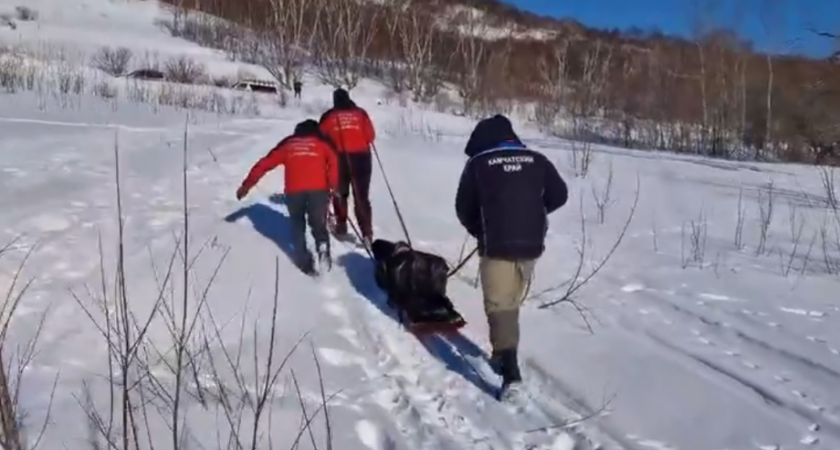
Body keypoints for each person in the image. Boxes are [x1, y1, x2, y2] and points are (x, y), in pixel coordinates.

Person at [454, 114, 568, 398]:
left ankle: (509, 372)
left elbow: (463, 207)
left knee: (500, 305)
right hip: (532, 244)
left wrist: (482, 230)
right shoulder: (537, 160)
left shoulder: (478, 163)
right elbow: (560, 194)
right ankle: (502, 351)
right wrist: (531, 214)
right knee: (511, 301)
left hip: (498, 245)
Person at [236, 119, 339, 274]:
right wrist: (334, 184)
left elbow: (265, 163)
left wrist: (247, 185)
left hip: (294, 192)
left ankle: (304, 262)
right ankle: (323, 250)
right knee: (318, 224)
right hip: (318, 190)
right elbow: (334, 162)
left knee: (297, 224)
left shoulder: (288, 144)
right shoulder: (322, 143)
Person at [319, 88, 376, 246]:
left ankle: (342, 225)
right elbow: (370, 137)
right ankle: (367, 234)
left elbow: (321, 140)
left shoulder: (328, 116)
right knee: (361, 197)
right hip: (362, 159)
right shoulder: (361, 114)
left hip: (339, 158)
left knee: (340, 194)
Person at [371, 239, 465, 333]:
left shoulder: (390, 264)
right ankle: (442, 310)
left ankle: (428, 313)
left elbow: (383, 282)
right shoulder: (424, 259)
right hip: (424, 274)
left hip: (407, 280)